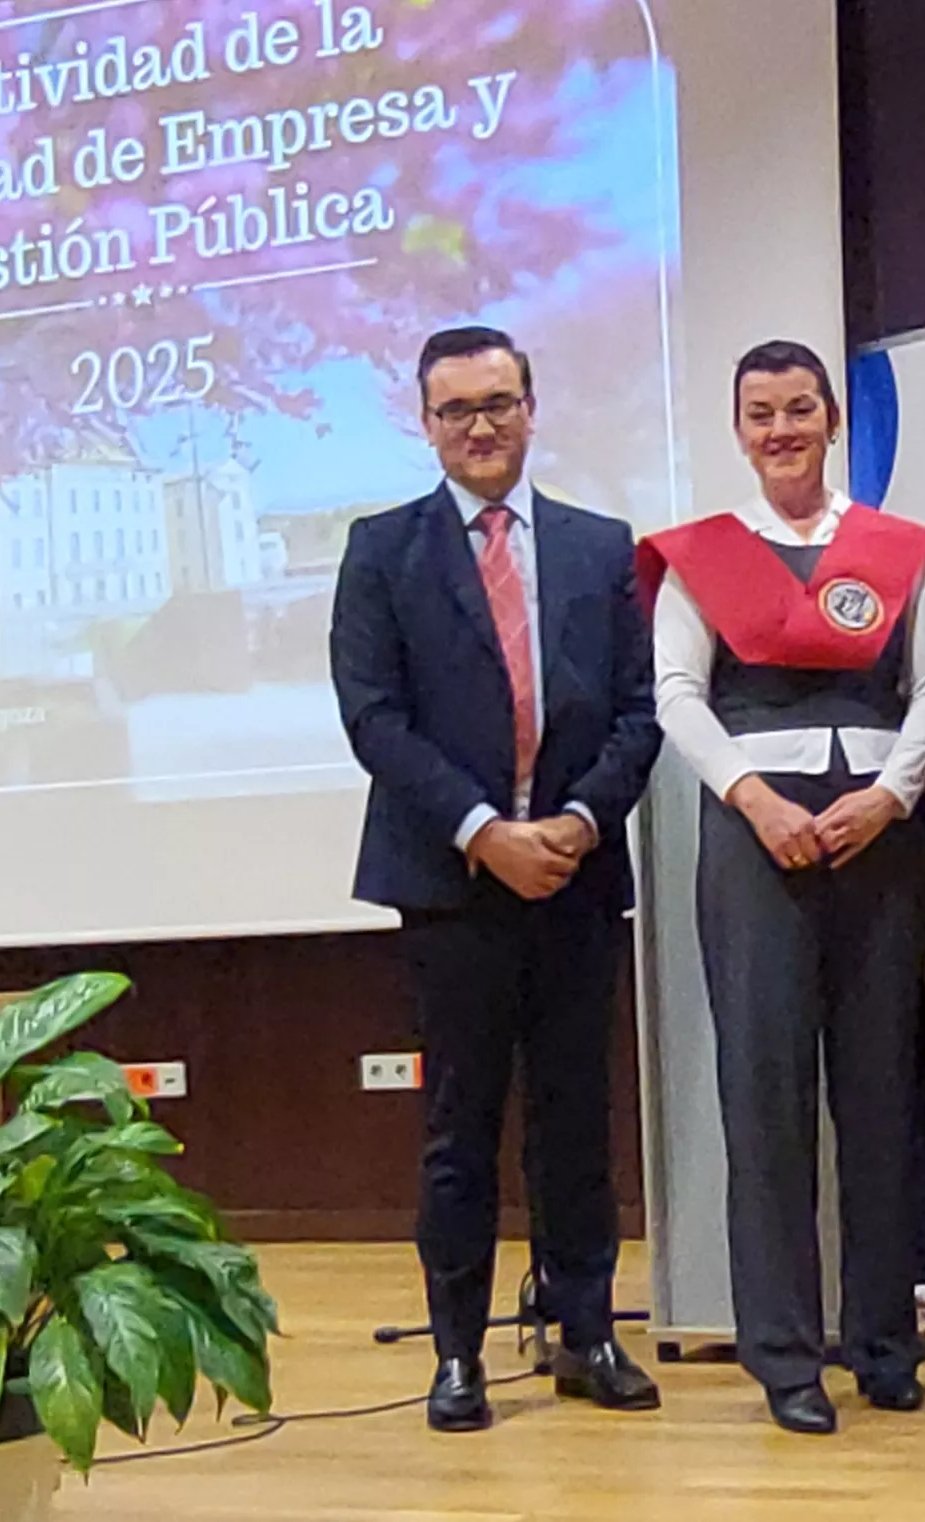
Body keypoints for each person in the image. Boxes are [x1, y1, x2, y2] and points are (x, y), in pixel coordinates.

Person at [330, 325, 664, 1432]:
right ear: (425, 423)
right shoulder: (382, 549)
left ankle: (587, 1332)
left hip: (574, 876)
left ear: (531, 407)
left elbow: (638, 712)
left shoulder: (598, 546)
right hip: (450, 884)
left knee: (578, 1124)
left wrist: (574, 822)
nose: (481, 426)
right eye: (457, 409)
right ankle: (458, 1354)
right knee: (459, 1128)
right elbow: (374, 718)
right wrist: (484, 832)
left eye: (498, 403)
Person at [640, 340, 925, 1434]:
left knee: (881, 1091)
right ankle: (784, 1357)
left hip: (877, 835)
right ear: (739, 430)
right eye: (761, 413)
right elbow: (677, 695)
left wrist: (891, 796)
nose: (782, 430)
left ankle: (884, 1341)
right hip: (753, 835)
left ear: (831, 419)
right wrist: (754, 799)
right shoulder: (702, 558)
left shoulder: (899, 550)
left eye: (800, 408)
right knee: (763, 1097)